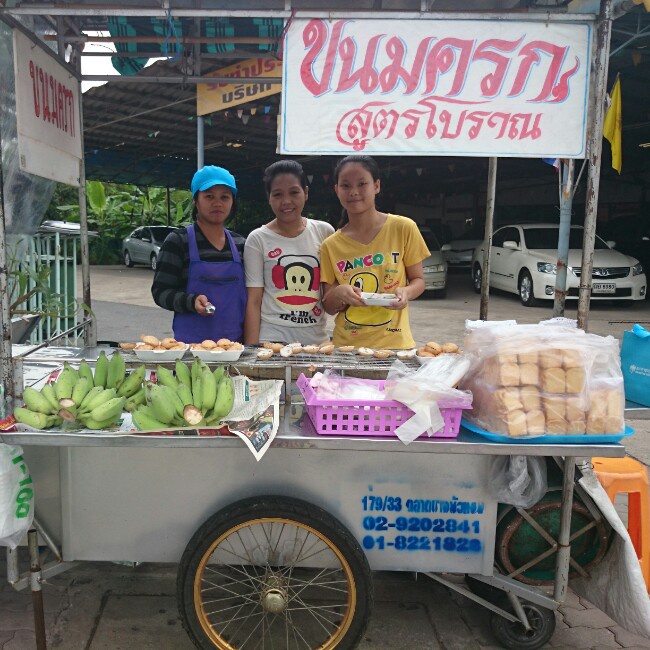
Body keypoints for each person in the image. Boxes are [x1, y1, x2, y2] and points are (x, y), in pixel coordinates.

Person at [320, 155, 429, 350]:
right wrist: (339, 292)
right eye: (345, 186)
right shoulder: (331, 245)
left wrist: (406, 292)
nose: (354, 192)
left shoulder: (403, 228)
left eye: (362, 184)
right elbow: (328, 305)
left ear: (376, 186)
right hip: (347, 348)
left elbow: (418, 281)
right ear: (336, 190)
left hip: (395, 345)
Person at [152, 165, 247, 343]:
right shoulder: (178, 241)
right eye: (209, 196)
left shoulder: (240, 244)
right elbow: (160, 292)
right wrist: (191, 301)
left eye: (224, 197)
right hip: (191, 347)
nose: (217, 203)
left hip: (234, 346)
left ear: (232, 202)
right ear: (196, 200)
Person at [244, 160, 334, 345]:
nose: (286, 201)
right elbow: (254, 301)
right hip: (272, 339)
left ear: (306, 193)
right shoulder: (257, 239)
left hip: (316, 342)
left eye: (294, 192)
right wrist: (251, 351)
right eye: (277, 194)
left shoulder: (324, 232)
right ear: (269, 197)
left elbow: (329, 294)